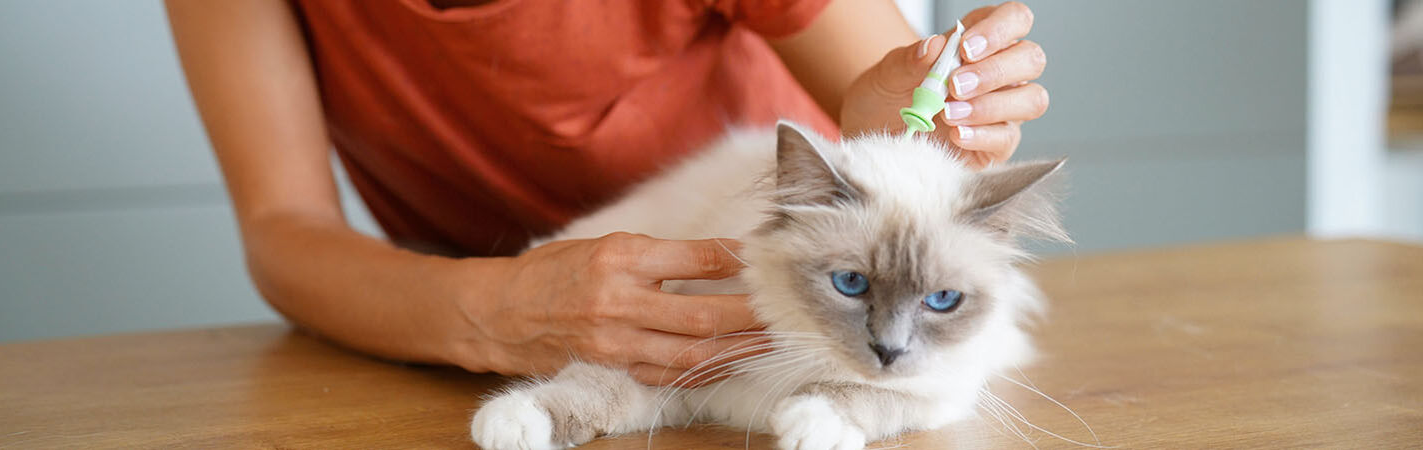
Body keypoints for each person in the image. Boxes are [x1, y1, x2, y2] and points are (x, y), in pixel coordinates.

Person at [165, 0, 1049, 386]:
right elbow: (284, 230)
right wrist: (491, 311)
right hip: (470, 335)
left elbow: (898, 117)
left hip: (775, 325)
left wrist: (898, 145)